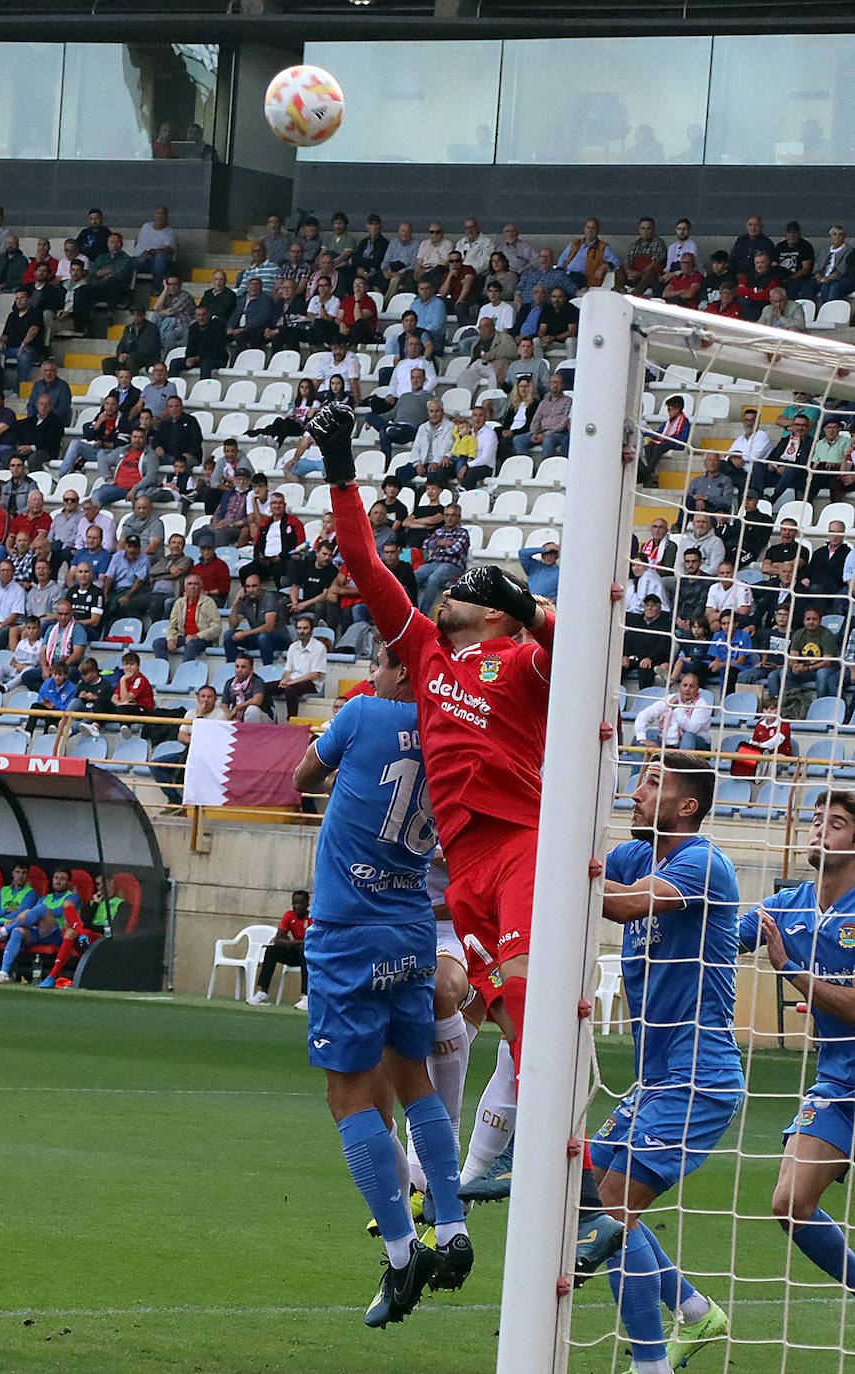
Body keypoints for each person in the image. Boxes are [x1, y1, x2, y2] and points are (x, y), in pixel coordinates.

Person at [305, 402, 619, 1276]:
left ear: (493, 615)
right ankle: (475, 1202)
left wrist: (533, 606)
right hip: (463, 872)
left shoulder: (522, 661)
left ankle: (589, 1196)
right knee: (485, 1017)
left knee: (528, 1017)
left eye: (464, 591)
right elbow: (365, 565)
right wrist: (341, 466)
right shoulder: (428, 662)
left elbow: (587, 655)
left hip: (521, 842)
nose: (443, 595)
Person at [292, 641, 472, 1326]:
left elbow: (300, 780)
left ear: (400, 668)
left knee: (347, 1098)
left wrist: (336, 764)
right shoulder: (450, 732)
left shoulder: (362, 714)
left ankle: (402, 1255)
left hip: (348, 929)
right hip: (413, 925)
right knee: (414, 1080)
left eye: (378, 661)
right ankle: (451, 1227)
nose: (369, 674)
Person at [596, 754, 743, 1373]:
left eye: (653, 783)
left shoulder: (703, 861)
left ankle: (649, 1364)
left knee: (606, 1216)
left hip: (699, 1078)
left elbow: (624, 906)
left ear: (687, 805)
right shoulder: (638, 857)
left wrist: (548, 875)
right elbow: (603, 872)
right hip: (658, 1079)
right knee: (581, 1200)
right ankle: (691, 1310)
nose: (636, 792)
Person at [737, 791, 855, 1294]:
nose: (819, 830)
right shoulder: (787, 908)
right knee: (789, 1203)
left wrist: (791, 970)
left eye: (837, 823)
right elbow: (721, 937)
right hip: (840, 1083)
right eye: (815, 820)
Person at [0, 868, 80, 986]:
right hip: (39, 931)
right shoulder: (45, 898)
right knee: (18, 931)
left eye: (62, 879)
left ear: (69, 883)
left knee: (41, 909)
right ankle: (3, 973)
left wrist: (31, 911)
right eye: (56, 878)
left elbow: (57, 912)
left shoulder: (72, 898)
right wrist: (13, 920)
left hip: (58, 934)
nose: (58, 881)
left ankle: (4, 931)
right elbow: (31, 916)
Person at [38, 874, 125, 988]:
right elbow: (84, 920)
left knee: (75, 928)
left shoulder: (121, 904)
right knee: (68, 912)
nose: (100, 887)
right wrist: (94, 904)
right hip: (84, 934)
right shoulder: (93, 903)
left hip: (103, 939)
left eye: (103, 883)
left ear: (111, 884)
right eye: (98, 884)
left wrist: (87, 927)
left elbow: (117, 928)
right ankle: (51, 977)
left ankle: (52, 975)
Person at [251, 890, 311, 1010]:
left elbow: (312, 942)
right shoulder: (289, 916)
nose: (297, 906)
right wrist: (293, 943)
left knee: (304, 949)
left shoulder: (311, 918)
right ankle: (263, 992)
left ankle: (306, 996)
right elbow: (277, 940)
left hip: (310, 956)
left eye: (300, 903)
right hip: (296, 953)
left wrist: (291, 943)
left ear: (307, 905)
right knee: (271, 951)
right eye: (294, 903)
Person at [268, 615, 327, 719]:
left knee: (290, 690)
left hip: (311, 684)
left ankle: (292, 720)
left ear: (312, 630)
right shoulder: (293, 646)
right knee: (265, 688)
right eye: (299, 628)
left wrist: (292, 682)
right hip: (293, 681)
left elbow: (315, 674)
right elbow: (288, 670)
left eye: (305, 628)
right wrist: (284, 680)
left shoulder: (319, 647)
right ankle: (271, 715)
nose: (302, 631)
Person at [415, 505, 469, 616]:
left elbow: (454, 550)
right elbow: (426, 544)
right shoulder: (438, 531)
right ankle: (411, 608)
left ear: (459, 517)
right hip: (434, 563)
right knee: (414, 575)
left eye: (452, 515)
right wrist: (440, 543)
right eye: (447, 515)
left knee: (433, 578)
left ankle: (422, 614)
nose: (449, 518)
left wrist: (439, 545)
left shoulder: (463, 533)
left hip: (453, 565)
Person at [634, 672, 712, 750]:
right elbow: (643, 715)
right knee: (641, 738)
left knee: (688, 736)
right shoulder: (669, 699)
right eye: (685, 685)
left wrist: (676, 708)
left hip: (695, 743)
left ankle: (681, 761)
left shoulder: (702, 704)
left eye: (691, 686)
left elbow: (692, 729)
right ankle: (644, 761)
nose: (687, 689)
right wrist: (642, 739)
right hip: (667, 743)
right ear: (680, 687)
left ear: (698, 689)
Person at [153, 574, 221, 662]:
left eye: (196, 584)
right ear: (185, 587)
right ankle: (163, 671)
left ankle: (184, 672)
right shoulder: (179, 603)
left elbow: (216, 627)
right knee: (158, 643)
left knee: (191, 645)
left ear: (201, 586)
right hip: (183, 637)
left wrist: (197, 636)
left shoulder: (208, 602)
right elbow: (172, 625)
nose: (193, 587)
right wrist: (170, 639)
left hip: (202, 638)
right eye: (190, 584)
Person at [224, 574, 289, 665]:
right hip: (258, 637)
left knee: (263, 637)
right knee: (228, 635)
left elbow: (269, 626)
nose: (251, 590)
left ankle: (267, 668)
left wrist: (246, 633)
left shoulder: (269, 597)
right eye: (248, 587)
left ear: (261, 586)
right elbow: (232, 626)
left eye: (254, 586)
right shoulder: (245, 599)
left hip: (278, 637)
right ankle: (233, 668)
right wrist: (235, 604)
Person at [640, 395, 690, 484]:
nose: (669, 412)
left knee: (659, 447)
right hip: (665, 441)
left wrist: (667, 438)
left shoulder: (685, 422)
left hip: (675, 443)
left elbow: (682, 438)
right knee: (649, 447)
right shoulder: (668, 422)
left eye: (670, 410)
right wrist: (646, 433)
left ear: (677, 409)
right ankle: (648, 470)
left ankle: (647, 470)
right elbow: (659, 433)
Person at [222, 652, 272, 723]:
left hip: (263, 717)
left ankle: (252, 733)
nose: (239, 670)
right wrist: (228, 714)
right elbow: (224, 705)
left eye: (243, 667)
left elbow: (257, 700)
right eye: (237, 666)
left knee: (252, 710)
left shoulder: (257, 681)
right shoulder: (230, 682)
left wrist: (238, 708)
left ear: (251, 669)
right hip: (237, 716)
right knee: (221, 713)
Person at [814, 226, 855, 304]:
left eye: (840, 235)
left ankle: (829, 310)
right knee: (807, 286)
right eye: (835, 234)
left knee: (832, 287)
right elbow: (817, 266)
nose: (837, 237)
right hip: (821, 278)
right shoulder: (824, 251)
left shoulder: (849, 251)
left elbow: (842, 269)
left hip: (835, 278)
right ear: (831, 236)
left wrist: (827, 278)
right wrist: (818, 277)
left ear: (844, 237)